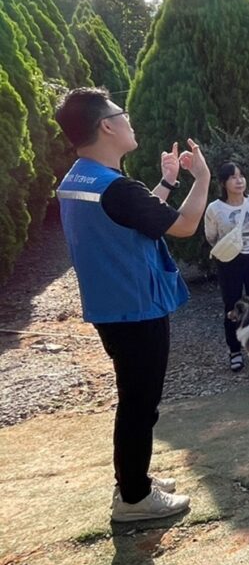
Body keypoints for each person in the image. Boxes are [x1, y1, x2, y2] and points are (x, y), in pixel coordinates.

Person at [54, 87, 210, 522]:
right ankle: (135, 499)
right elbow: (183, 226)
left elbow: (133, 217)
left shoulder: (81, 178)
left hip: (111, 306)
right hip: (136, 307)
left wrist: (167, 182)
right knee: (140, 403)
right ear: (106, 125)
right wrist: (202, 179)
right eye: (122, 114)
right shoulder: (116, 187)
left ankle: (133, 480)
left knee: (135, 398)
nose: (129, 120)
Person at [205, 162, 249, 372]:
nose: (239, 180)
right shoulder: (214, 208)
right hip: (228, 261)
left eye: (241, 176)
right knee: (231, 306)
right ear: (223, 183)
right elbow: (211, 237)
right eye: (232, 177)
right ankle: (235, 351)